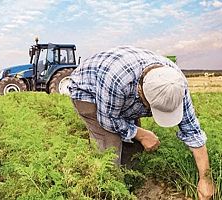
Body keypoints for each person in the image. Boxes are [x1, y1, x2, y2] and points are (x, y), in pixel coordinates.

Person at [68, 46, 214, 199]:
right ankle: (109, 191)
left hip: (121, 93)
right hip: (88, 91)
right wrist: (140, 133)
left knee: (134, 146)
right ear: (140, 91)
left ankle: (132, 184)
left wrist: (205, 178)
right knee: (110, 149)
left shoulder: (176, 84)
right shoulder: (118, 81)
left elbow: (193, 132)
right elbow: (107, 120)